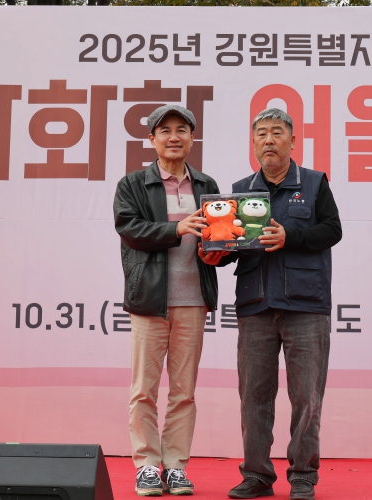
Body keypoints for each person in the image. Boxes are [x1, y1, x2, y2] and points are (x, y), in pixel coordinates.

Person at [202, 108, 342, 500]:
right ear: (253, 143)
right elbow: (232, 243)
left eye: (277, 132)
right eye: (261, 134)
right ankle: (257, 475)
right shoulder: (239, 190)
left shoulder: (314, 183)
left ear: (292, 141)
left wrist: (289, 237)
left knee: (307, 397)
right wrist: (216, 254)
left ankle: (303, 475)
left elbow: (332, 230)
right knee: (254, 396)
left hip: (306, 304)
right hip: (255, 304)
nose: (269, 140)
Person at [114, 104, 223, 497]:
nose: (174, 137)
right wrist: (177, 229)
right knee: (143, 389)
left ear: (192, 138)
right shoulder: (133, 184)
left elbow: (220, 236)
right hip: (149, 300)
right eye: (165, 130)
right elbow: (130, 229)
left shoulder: (207, 185)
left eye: (182, 130)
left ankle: (175, 466)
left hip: (194, 301)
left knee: (183, 391)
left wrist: (219, 253)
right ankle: (146, 465)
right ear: (152, 139)